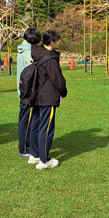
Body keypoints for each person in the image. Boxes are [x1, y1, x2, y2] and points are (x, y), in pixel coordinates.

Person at [30, 30, 67, 170]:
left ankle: (35, 154)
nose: (58, 42)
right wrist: (63, 92)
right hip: (47, 97)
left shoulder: (38, 53)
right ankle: (44, 160)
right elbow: (57, 81)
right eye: (57, 40)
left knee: (37, 125)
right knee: (46, 128)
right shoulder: (49, 59)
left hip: (38, 95)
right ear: (52, 42)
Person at [17, 28, 41, 160]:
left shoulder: (22, 49)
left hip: (23, 90)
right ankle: (25, 148)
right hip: (28, 92)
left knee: (24, 119)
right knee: (27, 121)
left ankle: (26, 146)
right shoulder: (28, 53)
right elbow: (32, 73)